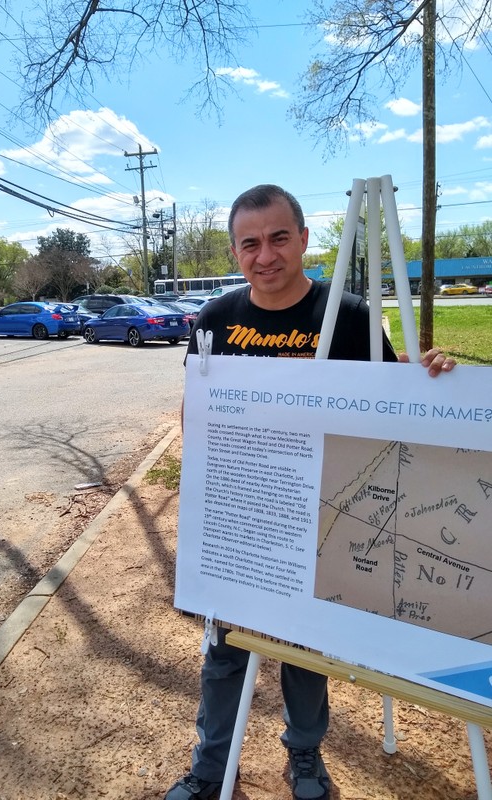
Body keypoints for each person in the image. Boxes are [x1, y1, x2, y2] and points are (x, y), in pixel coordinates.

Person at [164, 184, 456, 800]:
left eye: (277, 238)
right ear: (235, 251)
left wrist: (433, 385)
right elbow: (196, 409)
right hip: (245, 519)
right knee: (224, 653)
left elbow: (387, 399)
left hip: (318, 517)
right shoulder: (215, 321)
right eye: (250, 243)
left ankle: (304, 757)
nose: (264, 254)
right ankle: (212, 766)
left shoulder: (347, 316)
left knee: (304, 649)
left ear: (302, 239)